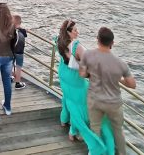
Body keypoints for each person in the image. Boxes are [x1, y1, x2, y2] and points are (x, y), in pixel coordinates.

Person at [57, 20, 114, 155]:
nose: (77, 32)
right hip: (75, 79)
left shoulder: (59, 41)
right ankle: (95, 145)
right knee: (83, 105)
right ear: (68, 32)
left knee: (70, 101)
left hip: (64, 74)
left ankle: (67, 124)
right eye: (75, 30)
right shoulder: (77, 46)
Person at [79, 27, 136, 155]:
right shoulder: (120, 63)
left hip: (95, 100)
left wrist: (91, 73)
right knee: (118, 130)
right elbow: (132, 84)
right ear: (112, 43)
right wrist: (120, 80)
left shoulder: (88, 55)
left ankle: (95, 152)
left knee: (95, 128)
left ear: (97, 40)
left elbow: (82, 74)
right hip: (114, 103)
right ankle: (121, 153)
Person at [11, 14, 27, 90]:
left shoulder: (10, 30)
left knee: (10, 65)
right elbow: (25, 35)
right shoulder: (22, 31)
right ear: (20, 23)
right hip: (20, 52)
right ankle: (17, 83)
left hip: (11, 51)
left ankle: (9, 77)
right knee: (18, 67)